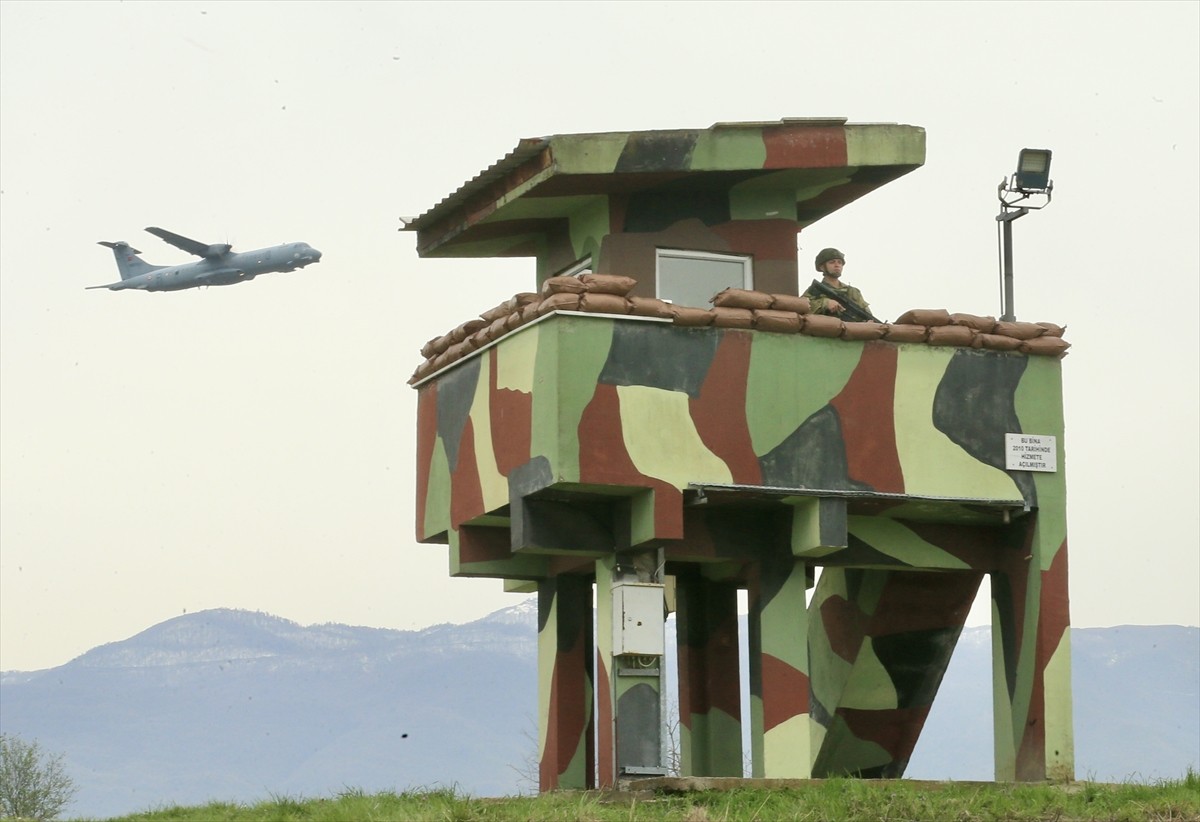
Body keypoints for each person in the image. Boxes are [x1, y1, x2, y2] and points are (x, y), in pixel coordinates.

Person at [803, 247, 874, 320]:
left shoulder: (853, 292)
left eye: (839, 262)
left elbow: (868, 315)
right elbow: (800, 308)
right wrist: (824, 303)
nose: (837, 265)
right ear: (822, 267)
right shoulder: (814, 290)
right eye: (832, 262)